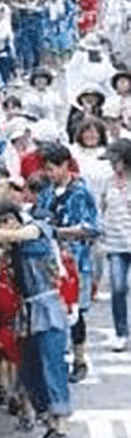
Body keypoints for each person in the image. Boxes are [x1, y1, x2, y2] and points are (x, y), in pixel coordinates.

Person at [0, 200, 71, 438]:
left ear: (8, 220)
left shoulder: (36, 228)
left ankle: (61, 428)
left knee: (52, 367)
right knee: (29, 371)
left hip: (48, 307)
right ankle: (48, 424)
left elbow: (18, 234)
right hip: (26, 314)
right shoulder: (12, 248)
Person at [42, 143, 100, 382]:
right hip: (50, 261)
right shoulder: (47, 190)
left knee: (76, 313)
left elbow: (91, 228)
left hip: (76, 261)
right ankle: (56, 359)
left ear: (65, 164)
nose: (49, 173)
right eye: (46, 169)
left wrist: (59, 232)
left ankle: (79, 359)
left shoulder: (80, 192)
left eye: (52, 168)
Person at [99, 139, 131, 352]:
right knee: (118, 288)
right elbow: (103, 207)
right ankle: (121, 332)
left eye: (116, 161)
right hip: (116, 244)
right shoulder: (108, 182)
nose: (112, 165)